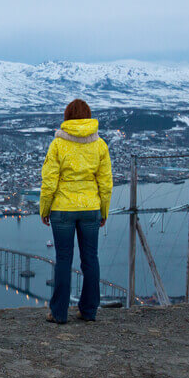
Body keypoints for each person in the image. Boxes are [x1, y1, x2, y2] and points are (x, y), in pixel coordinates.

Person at [39, 99, 112, 324]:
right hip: (90, 208)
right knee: (90, 259)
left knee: (63, 259)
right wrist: (104, 211)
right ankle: (89, 310)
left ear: (67, 116)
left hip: (63, 208)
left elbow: (50, 180)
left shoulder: (58, 144)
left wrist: (45, 207)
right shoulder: (99, 144)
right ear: (88, 116)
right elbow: (106, 182)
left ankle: (59, 313)